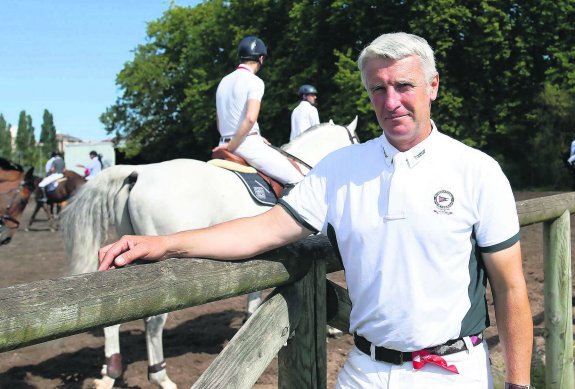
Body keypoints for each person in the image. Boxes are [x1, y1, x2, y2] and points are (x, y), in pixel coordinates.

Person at [98, 32, 533, 389]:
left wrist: (517, 384)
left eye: (404, 86)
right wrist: (164, 243)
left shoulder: (478, 170)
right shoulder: (339, 168)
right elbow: (261, 230)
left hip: (451, 373)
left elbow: (511, 289)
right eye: (378, 89)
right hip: (364, 369)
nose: (391, 101)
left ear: (433, 86)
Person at [212, 35, 303, 185]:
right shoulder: (255, 81)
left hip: (222, 142)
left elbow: (219, 120)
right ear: (261, 59)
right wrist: (232, 146)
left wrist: (255, 136)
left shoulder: (224, 81)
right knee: (300, 181)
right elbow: (249, 118)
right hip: (244, 145)